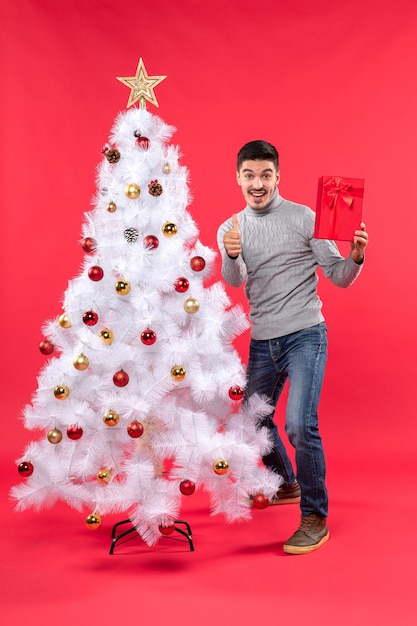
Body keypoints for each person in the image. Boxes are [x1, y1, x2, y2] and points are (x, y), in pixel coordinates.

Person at [217, 140, 368, 555]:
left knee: (300, 424)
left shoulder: (305, 218)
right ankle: (286, 484)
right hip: (264, 340)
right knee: (252, 417)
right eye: (249, 175)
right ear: (238, 178)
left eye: (266, 174)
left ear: (278, 176)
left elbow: (338, 276)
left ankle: (315, 518)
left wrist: (355, 255)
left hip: (305, 334)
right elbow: (234, 280)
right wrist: (231, 254)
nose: (257, 183)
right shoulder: (231, 227)